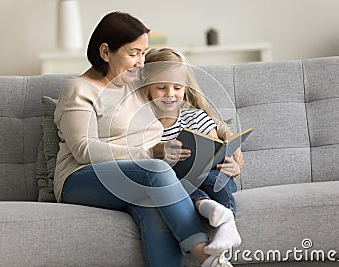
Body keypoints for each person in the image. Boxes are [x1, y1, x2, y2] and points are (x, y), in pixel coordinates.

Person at [53, 11, 235, 267]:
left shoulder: (136, 85)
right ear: (105, 52)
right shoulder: (79, 89)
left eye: (144, 52)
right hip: (83, 177)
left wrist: (227, 145)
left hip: (139, 178)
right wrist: (152, 153)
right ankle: (204, 254)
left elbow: (183, 96)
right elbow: (84, 150)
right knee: (156, 170)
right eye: (133, 53)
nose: (141, 62)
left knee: (157, 212)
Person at [139, 47, 243, 256]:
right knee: (176, 184)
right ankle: (205, 206)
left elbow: (218, 148)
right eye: (161, 88)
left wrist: (234, 163)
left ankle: (227, 223)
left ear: (185, 89)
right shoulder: (143, 126)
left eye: (177, 88)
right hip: (178, 183)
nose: (170, 94)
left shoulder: (195, 117)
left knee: (212, 178)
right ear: (146, 86)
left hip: (212, 177)